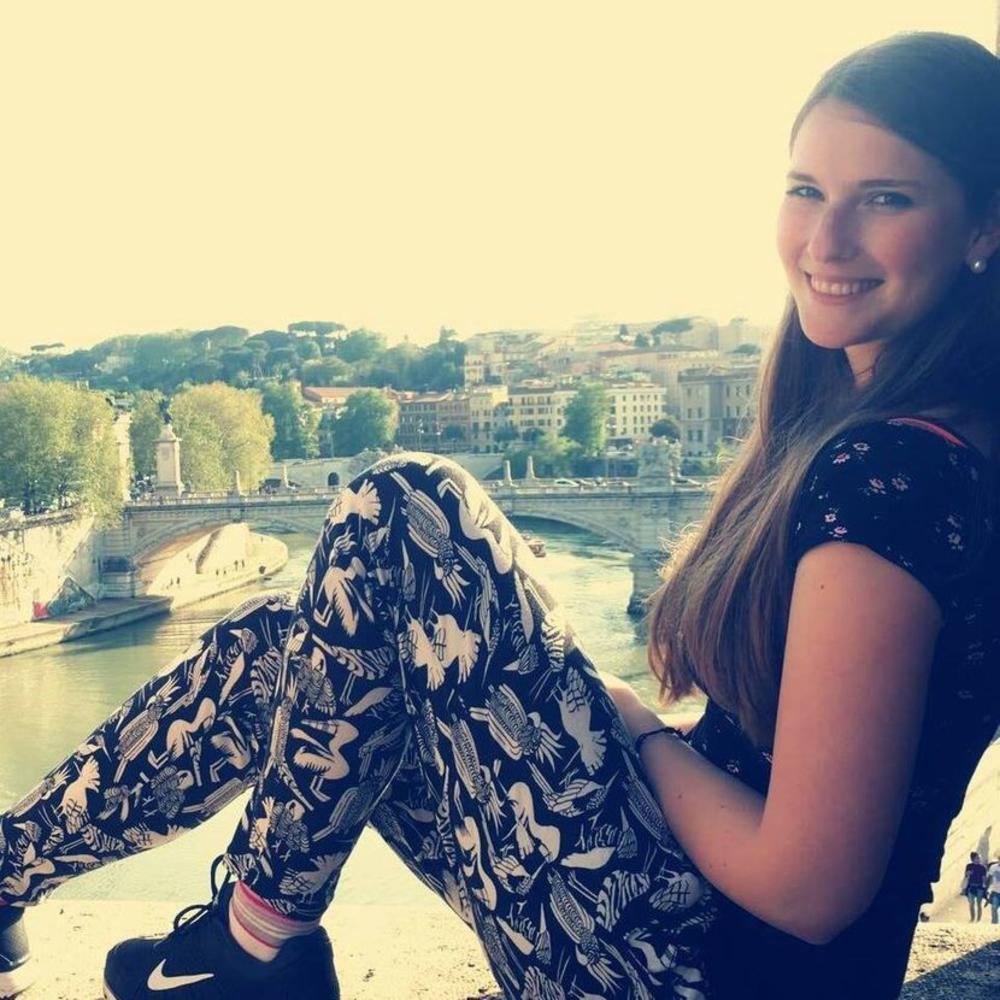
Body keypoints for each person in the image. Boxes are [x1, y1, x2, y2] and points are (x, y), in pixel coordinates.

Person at [0, 28, 999, 1000]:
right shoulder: (909, 443)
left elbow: (808, 889)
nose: (825, 240)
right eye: (806, 189)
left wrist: (640, 731)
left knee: (404, 503)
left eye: (886, 198)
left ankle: (258, 945)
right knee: (296, 653)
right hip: (669, 926)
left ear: (983, 225)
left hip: (693, 969)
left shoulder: (895, 476)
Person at [961, 852, 988, 922]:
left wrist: (985, 887)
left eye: (979, 858)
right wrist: (968, 873)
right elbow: (966, 875)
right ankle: (972, 918)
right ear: (973, 859)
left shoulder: (983, 867)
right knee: (971, 903)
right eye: (977, 858)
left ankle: (978, 920)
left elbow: (984, 878)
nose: (979, 859)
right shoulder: (969, 866)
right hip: (971, 886)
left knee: (979, 904)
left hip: (979, 887)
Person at [985, 855, 1000, 924]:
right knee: (994, 908)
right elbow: (989, 879)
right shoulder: (993, 867)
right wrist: (986, 889)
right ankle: (994, 924)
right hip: (995, 892)